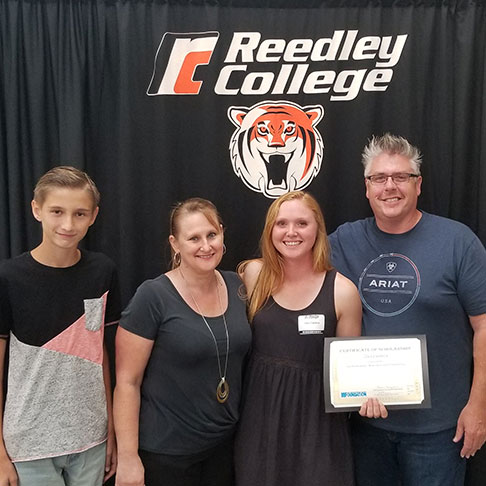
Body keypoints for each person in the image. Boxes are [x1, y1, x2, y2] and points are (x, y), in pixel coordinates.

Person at [328, 133, 486, 486]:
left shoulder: (458, 241)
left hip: (440, 430)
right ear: (367, 188)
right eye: (379, 178)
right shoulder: (344, 241)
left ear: (418, 185)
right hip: (367, 426)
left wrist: (480, 407)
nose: (390, 187)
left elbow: (484, 326)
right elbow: (291, 266)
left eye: (401, 177)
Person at [114, 197, 252, 486]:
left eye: (212, 234)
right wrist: (128, 458)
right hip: (167, 454)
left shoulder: (238, 286)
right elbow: (127, 381)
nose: (206, 246)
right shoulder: (152, 297)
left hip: (224, 448)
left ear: (223, 233)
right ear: (175, 244)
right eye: (193, 238)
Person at [0, 166, 120, 486]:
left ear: (93, 216)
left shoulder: (103, 271)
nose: (68, 224)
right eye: (57, 211)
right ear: (37, 210)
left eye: (79, 213)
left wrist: (110, 430)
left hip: (91, 440)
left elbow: (101, 355)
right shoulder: (8, 277)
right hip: (28, 444)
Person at [234, 190, 364, 486]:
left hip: (317, 425)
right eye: (281, 224)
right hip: (259, 419)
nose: (291, 232)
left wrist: (368, 396)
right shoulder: (254, 275)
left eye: (302, 223)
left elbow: (351, 377)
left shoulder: (342, 292)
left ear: (317, 228)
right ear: (270, 230)